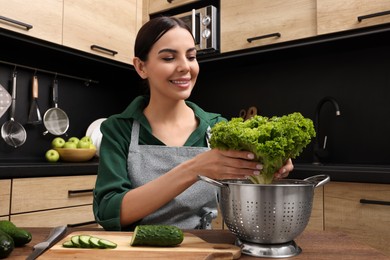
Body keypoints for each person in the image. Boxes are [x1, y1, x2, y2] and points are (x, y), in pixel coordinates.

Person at [93, 16, 294, 231]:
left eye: (191, 56)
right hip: (136, 249)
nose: (185, 67)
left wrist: (267, 170)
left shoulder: (217, 129)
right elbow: (107, 212)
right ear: (141, 67)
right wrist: (193, 169)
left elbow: (246, 200)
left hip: (201, 248)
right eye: (169, 58)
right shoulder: (118, 129)